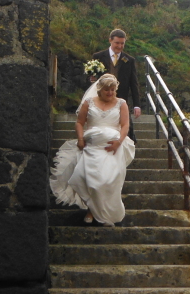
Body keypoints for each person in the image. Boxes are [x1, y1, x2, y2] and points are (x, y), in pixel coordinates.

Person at [50, 74, 136, 227]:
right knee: (83, 177)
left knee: (106, 181)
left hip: (111, 148)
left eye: (112, 89)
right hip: (91, 147)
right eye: (106, 90)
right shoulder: (89, 103)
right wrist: (81, 139)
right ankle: (92, 209)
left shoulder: (121, 103)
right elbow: (79, 123)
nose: (110, 92)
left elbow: (125, 125)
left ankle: (102, 214)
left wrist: (118, 142)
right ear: (100, 90)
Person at [92, 29, 141, 143]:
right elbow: (89, 78)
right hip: (101, 99)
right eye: (117, 43)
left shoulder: (129, 60)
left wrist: (136, 105)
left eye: (122, 43)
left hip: (121, 99)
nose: (119, 46)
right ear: (110, 40)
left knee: (126, 127)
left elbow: (134, 83)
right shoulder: (98, 56)